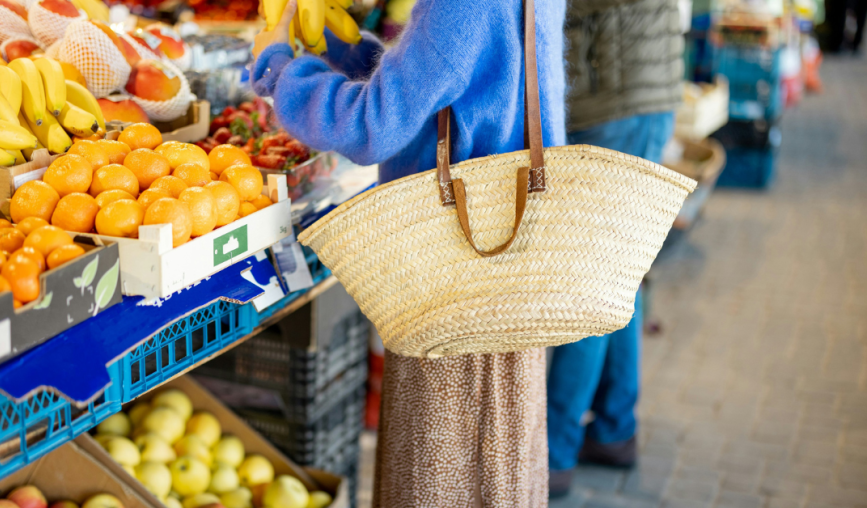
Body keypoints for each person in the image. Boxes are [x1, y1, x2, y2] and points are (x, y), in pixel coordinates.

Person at [251, 0, 566, 505]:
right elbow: (448, 92)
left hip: (456, 281)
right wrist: (348, 53)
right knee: (491, 468)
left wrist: (281, 72)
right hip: (500, 267)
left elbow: (373, 125)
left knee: (444, 475)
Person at [546, 0, 684, 498]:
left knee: (590, 284)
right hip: (634, 94)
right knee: (618, 274)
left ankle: (552, 455)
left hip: (615, 102)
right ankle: (613, 428)